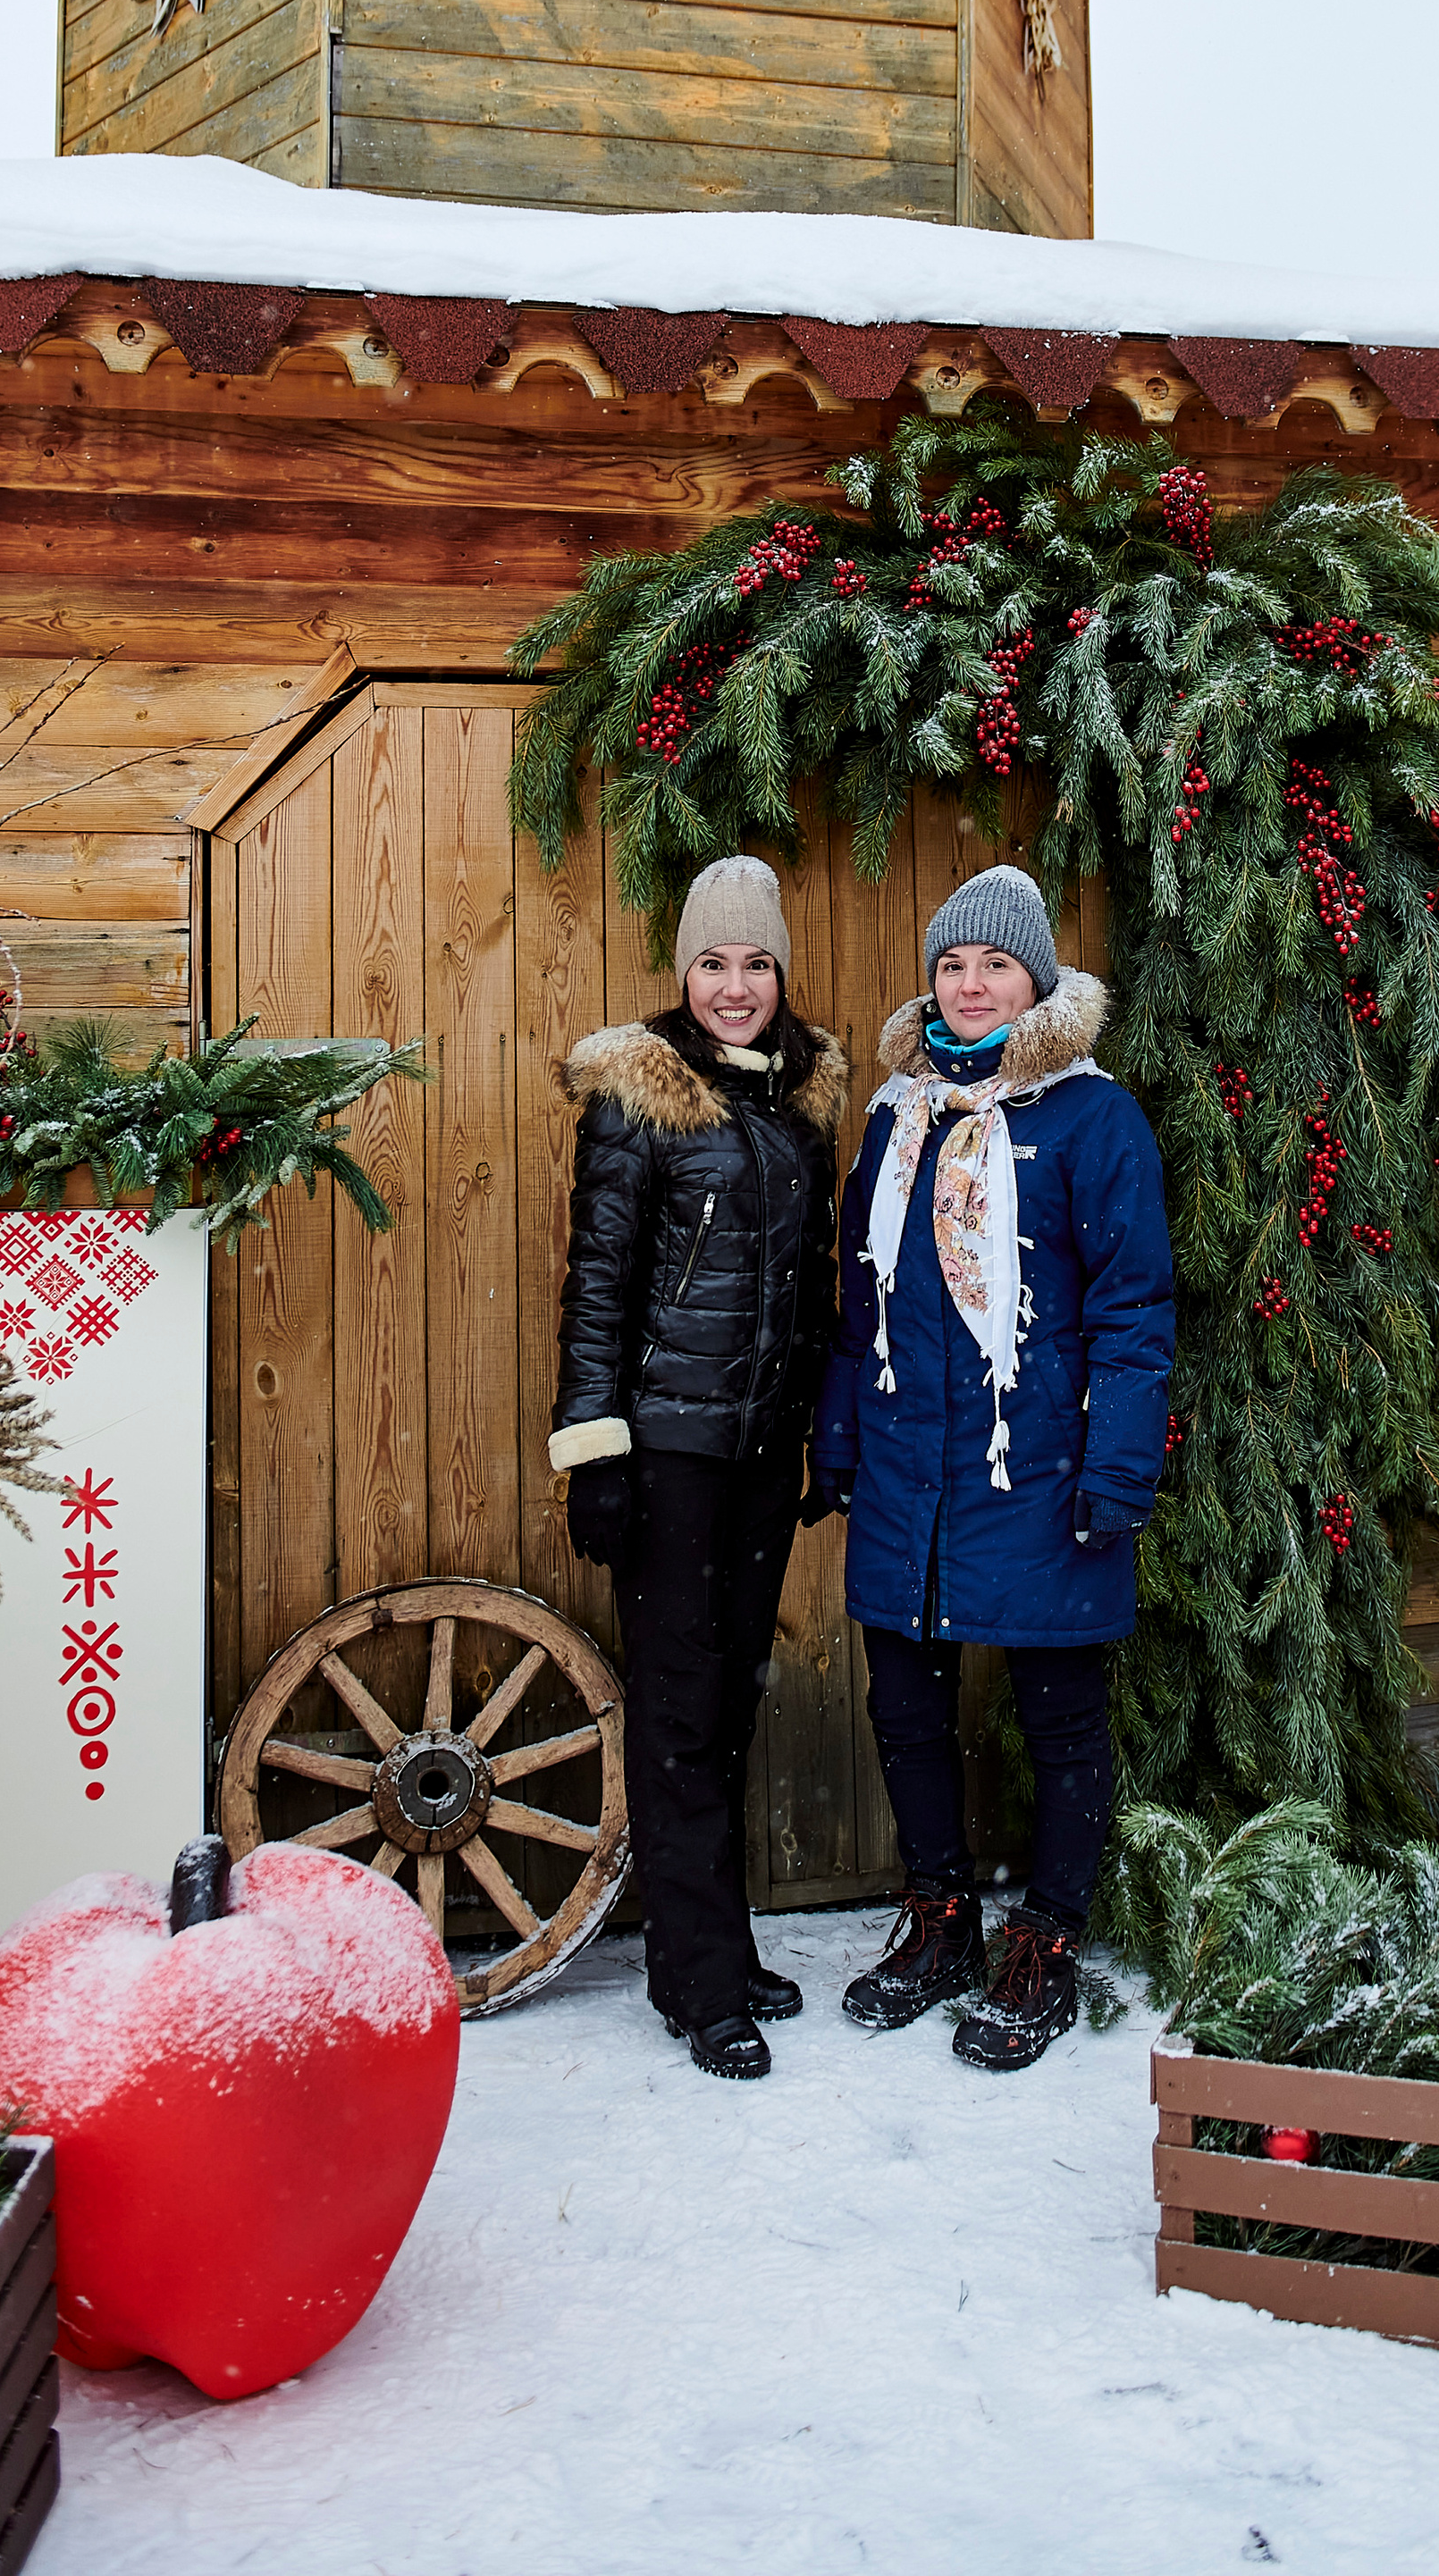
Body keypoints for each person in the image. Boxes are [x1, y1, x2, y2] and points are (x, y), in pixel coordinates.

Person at [812, 865, 1174, 2069]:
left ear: (1038, 981)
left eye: (994, 966)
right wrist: (843, 1433)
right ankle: (942, 1919)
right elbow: (859, 1300)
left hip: (1040, 1464)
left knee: (1060, 1719)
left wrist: (1119, 1471)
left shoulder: (1091, 1118)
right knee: (906, 1709)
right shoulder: (894, 1115)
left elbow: (1131, 1309)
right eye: (952, 966)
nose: (968, 986)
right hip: (912, 1462)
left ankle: (1047, 1940)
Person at [551, 854, 846, 2082]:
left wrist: (818, 1433)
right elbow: (600, 1283)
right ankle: (706, 1985)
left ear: (780, 972)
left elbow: (817, 1288)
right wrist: (596, 1452)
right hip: (669, 1453)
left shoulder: (797, 1103)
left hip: (760, 1450)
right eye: (715, 963)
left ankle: (700, 1948)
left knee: (730, 1702)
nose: (736, 986)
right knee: (678, 1709)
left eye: (756, 962)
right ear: (685, 972)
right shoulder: (639, 1100)